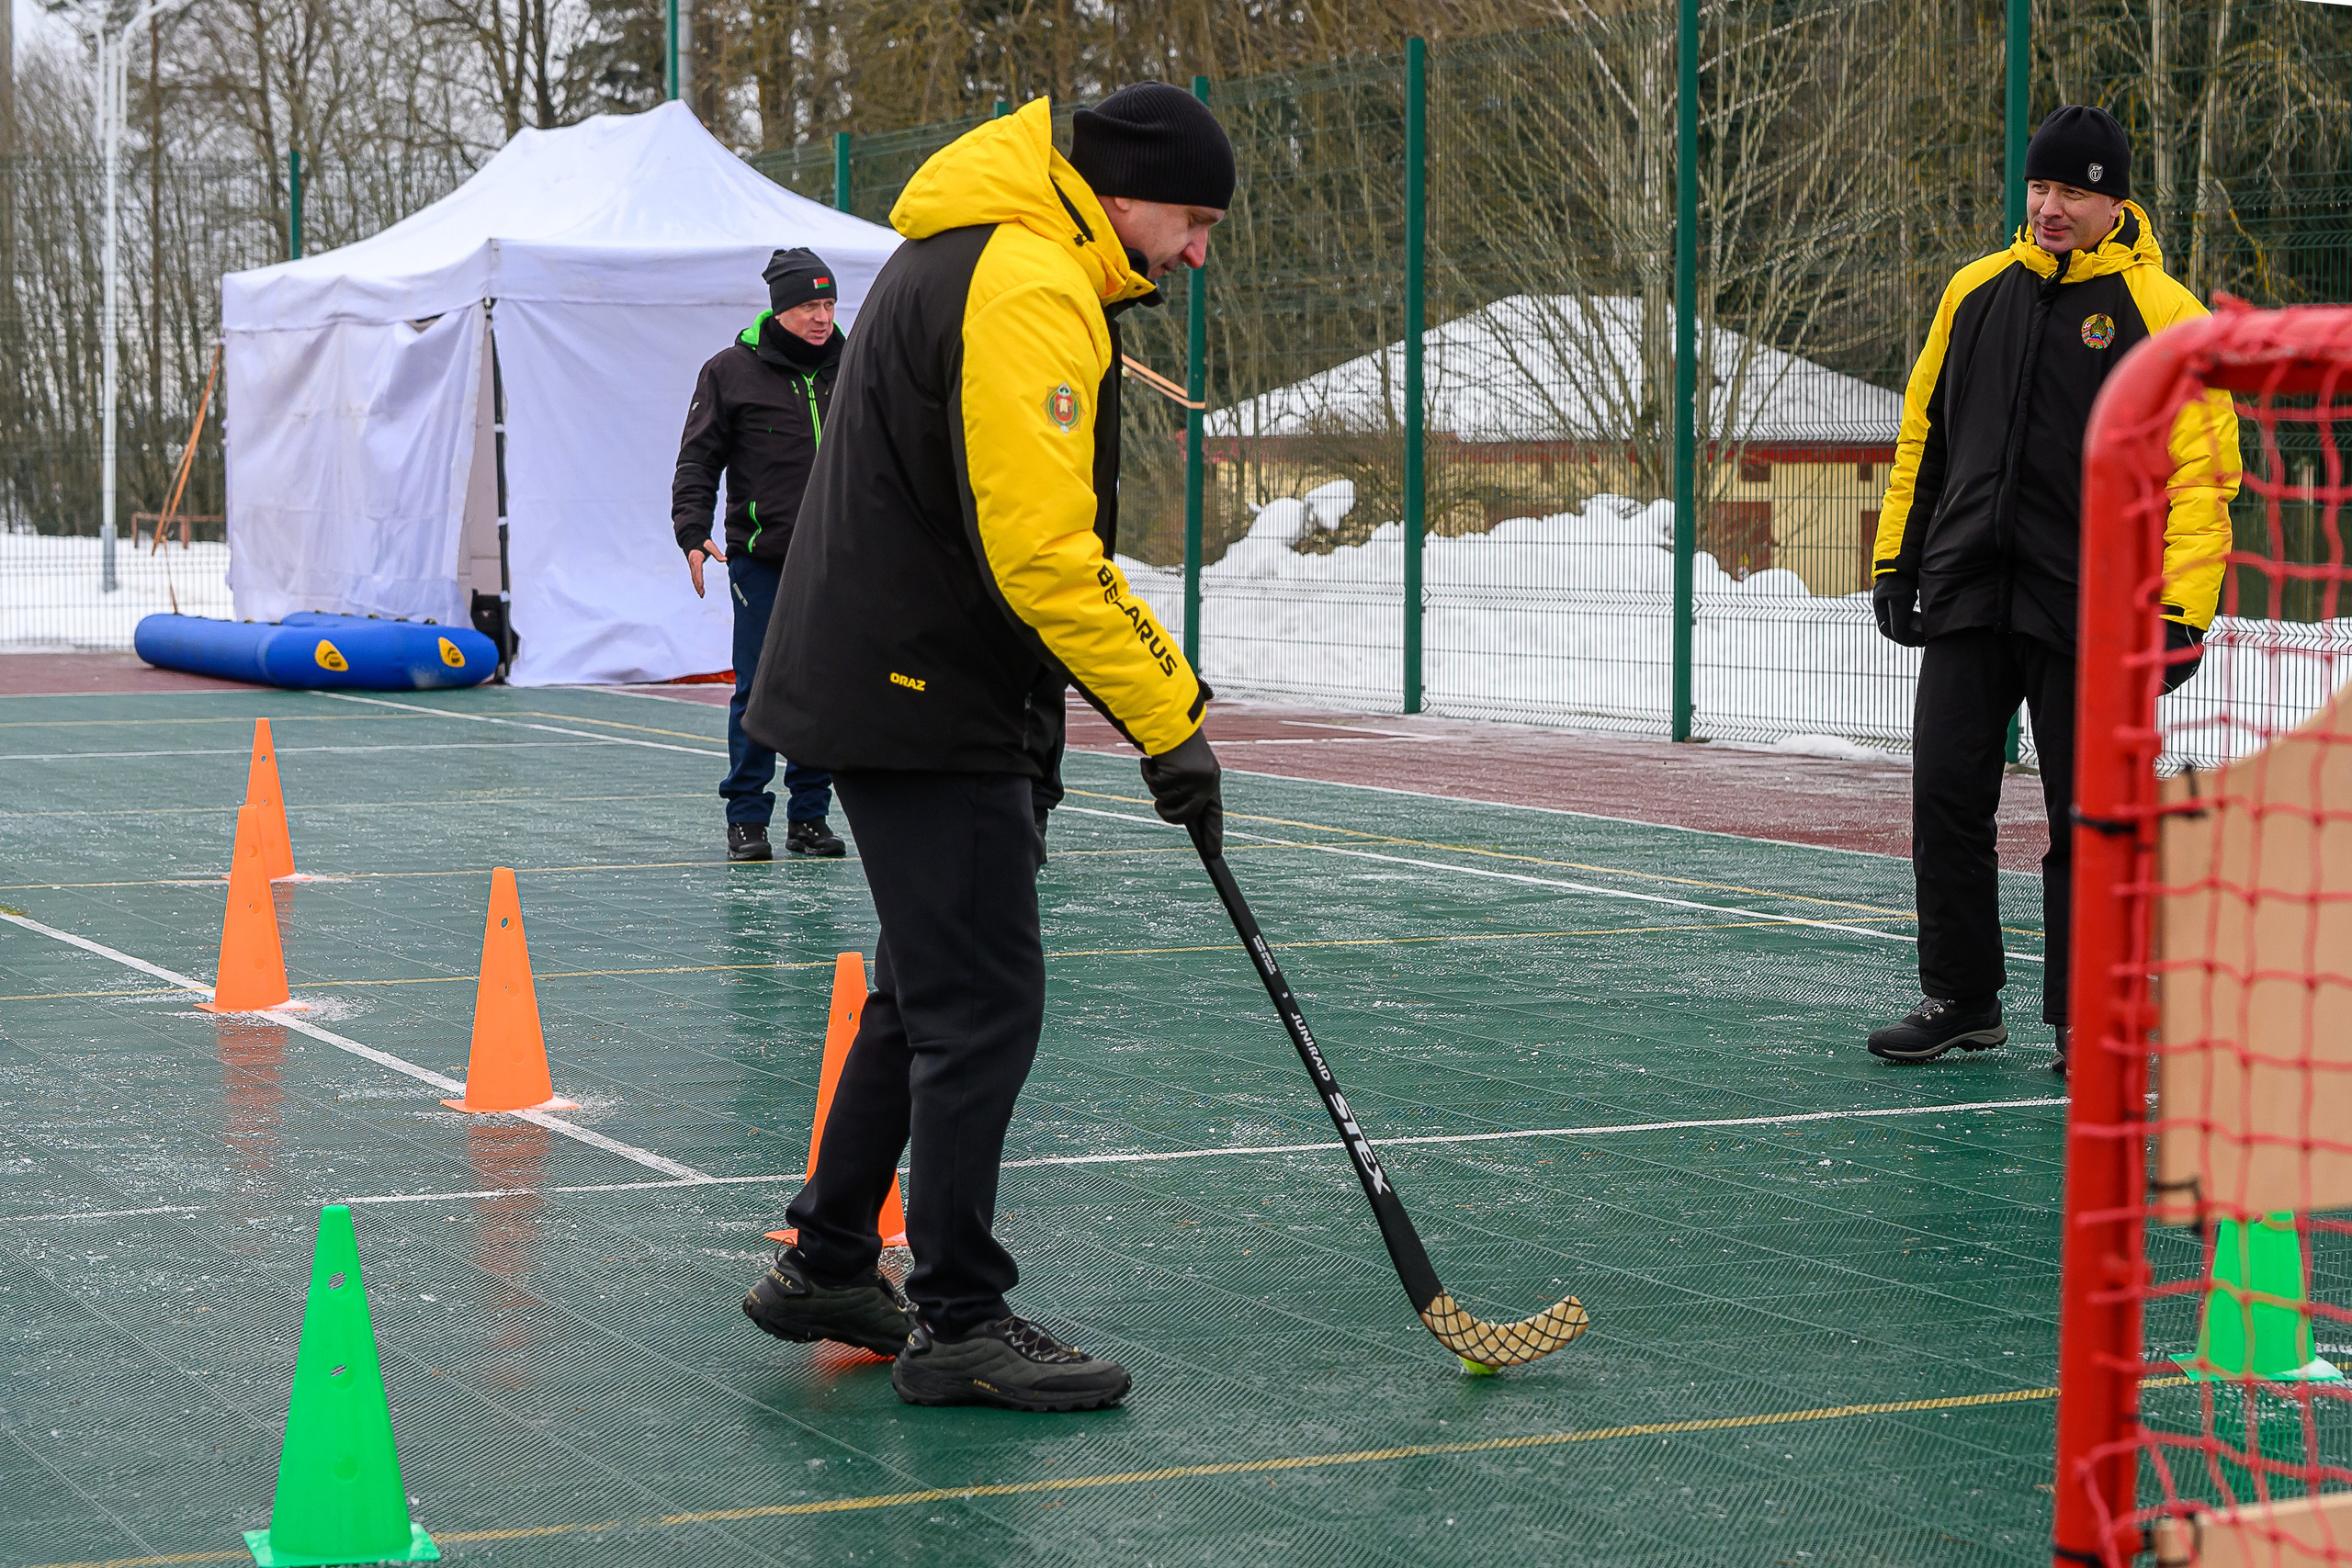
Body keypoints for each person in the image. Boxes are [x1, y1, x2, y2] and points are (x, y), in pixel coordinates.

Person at [735, 85, 1231, 1411]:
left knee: (924, 992)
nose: (1198, 251)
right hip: (923, 693)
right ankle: (960, 1317)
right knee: (982, 1004)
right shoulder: (1026, 283)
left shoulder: (970, 253)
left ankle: (832, 1258)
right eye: (1192, 220)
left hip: (901, 678)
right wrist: (1168, 714)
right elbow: (1044, 552)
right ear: (1124, 195)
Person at [1866, 106, 2238, 1073]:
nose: (2049, 207)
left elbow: (2201, 482)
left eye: (2071, 190)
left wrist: (2179, 615)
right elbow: (1925, 439)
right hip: (1967, 592)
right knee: (1946, 800)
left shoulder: (2168, 319)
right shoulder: (1973, 293)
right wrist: (1898, 564)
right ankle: (1961, 999)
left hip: (2096, 612)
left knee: (2089, 821)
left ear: (2114, 200)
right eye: (2039, 187)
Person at [671, 247, 850, 863]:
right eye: (808, 306)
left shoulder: (854, 365)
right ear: (780, 309)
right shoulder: (728, 372)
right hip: (762, 558)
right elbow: (698, 459)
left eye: (828, 304)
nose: (822, 317)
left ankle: (810, 817)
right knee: (761, 686)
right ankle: (746, 818)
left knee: (824, 688)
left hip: (838, 561)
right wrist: (692, 532)